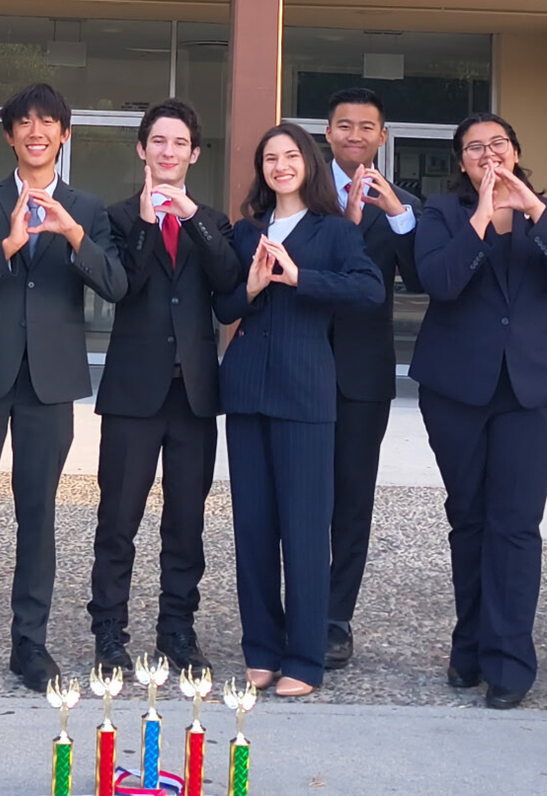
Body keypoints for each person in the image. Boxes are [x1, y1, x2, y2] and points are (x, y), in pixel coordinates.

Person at [0, 84, 126, 692]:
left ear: (64, 134)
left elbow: (115, 284)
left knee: (39, 514)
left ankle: (28, 644)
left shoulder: (87, 207)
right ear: (9, 136)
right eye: (24, 123)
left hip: (49, 380)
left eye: (48, 123)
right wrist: (6, 245)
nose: (36, 132)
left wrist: (73, 236)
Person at [412, 112, 547, 710]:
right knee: (468, 519)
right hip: (457, 390)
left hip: (532, 392)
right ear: (461, 162)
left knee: (514, 524)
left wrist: (532, 212)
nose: (488, 154)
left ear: (516, 151)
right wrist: (482, 219)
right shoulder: (440, 214)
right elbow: (438, 281)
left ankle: (510, 659)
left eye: (498, 144)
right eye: (474, 148)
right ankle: (469, 648)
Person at [217, 123, 383, 698]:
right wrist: (255, 286)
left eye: (290, 156)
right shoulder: (246, 232)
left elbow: (368, 291)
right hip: (245, 392)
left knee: (306, 529)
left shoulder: (335, 231)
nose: (280, 165)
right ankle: (260, 649)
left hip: (307, 392)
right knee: (254, 529)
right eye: (270, 157)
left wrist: (299, 277)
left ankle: (305, 658)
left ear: (308, 163)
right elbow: (225, 303)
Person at [87, 99, 241, 676]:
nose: (168, 151)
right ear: (142, 149)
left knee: (186, 521)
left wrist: (190, 215)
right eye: (158, 141)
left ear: (194, 154)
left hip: (194, 395)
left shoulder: (213, 220)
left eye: (179, 143)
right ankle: (109, 632)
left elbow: (228, 284)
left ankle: (178, 628)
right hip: (133, 392)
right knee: (118, 518)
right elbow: (123, 289)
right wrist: (152, 223)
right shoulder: (118, 218)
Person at [318, 88, 422, 670]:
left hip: (363, 374)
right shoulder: (300, 193)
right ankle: (298, 606)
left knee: (352, 501)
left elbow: (421, 276)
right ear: (328, 133)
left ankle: (335, 618)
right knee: (300, 498)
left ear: (382, 137)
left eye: (367, 128)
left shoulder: (403, 204)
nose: (355, 135)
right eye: (344, 126)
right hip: (301, 366)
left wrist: (400, 218)